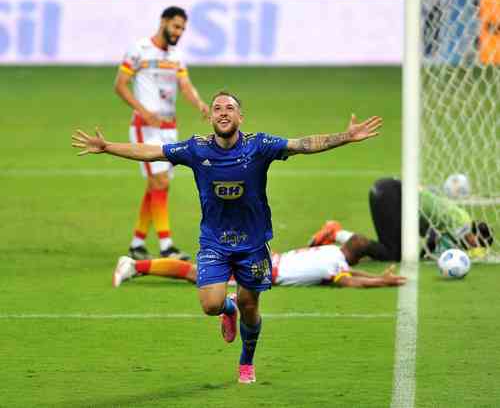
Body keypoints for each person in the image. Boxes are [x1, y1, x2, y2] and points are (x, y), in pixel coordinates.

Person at [72, 91, 383, 384]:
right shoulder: (196, 149)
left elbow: (302, 144)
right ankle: (227, 310)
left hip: (253, 245)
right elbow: (152, 151)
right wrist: (108, 146)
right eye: (218, 108)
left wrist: (346, 137)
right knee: (211, 305)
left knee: (250, 305)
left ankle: (246, 361)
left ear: (240, 117)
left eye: (229, 108)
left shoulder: (259, 146)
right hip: (214, 244)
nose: (223, 113)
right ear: (211, 118)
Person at [114, 6, 209, 261]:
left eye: (183, 29)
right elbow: (120, 85)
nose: (179, 33)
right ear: (164, 22)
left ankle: (137, 242)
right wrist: (143, 111)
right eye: (176, 27)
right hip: (145, 127)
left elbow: (185, 84)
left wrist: (199, 103)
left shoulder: (176, 56)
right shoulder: (139, 49)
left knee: (158, 185)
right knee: (161, 182)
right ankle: (167, 245)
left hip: (169, 128)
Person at [309, 178, 495, 261]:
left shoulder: (457, 219)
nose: (471, 247)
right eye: (476, 244)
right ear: (475, 235)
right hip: (390, 196)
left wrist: (424, 255)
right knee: (393, 254)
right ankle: (336, 233)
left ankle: (340, 236)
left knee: (394, 249)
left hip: (388, 191)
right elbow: (434, 240)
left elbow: (432, 238)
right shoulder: (461, 223)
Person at [111, 237, 407, 288]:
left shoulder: (331, 253)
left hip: (266, 257)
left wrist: (375, 274)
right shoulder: (334, 267)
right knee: (195, 274)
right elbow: (350, 280)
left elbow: (347, 271)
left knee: (197, 272)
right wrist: (381, 280)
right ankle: (134, 266)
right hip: (262, 270)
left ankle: (137, 267)